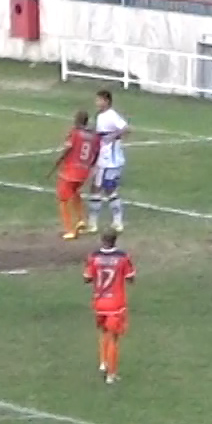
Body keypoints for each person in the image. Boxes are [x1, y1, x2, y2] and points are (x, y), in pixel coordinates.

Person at [83, 231, 137, 383]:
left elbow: (87, 278)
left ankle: (103, 362)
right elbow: (130, 277)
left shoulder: (93, 256)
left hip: (99, 302)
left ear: (102, 240)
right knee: (114, 338)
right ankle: (111, 374)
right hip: (115, 303)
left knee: (103, 331)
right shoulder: (122, 257)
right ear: (115, 241)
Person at [49, 110, 100, 240]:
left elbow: (68, 147)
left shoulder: (75, 133)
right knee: (75, 192)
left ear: (76, 120)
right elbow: (96, 153)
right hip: (84, 171)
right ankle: (81, 220)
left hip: (71, 170)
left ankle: (69, 230)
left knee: (63, 199)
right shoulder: (94, 136)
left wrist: (59, 160)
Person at [86, 88, 130, 234]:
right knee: (95, 187)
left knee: (109, 188)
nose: (96, 102)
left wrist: (113, 136)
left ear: (106, 101)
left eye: (99, 99)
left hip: (111, 160)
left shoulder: (111, 115)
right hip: (102, 159)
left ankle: (117, 222)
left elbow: (126, 128)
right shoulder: (100, 115)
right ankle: (93, 223)